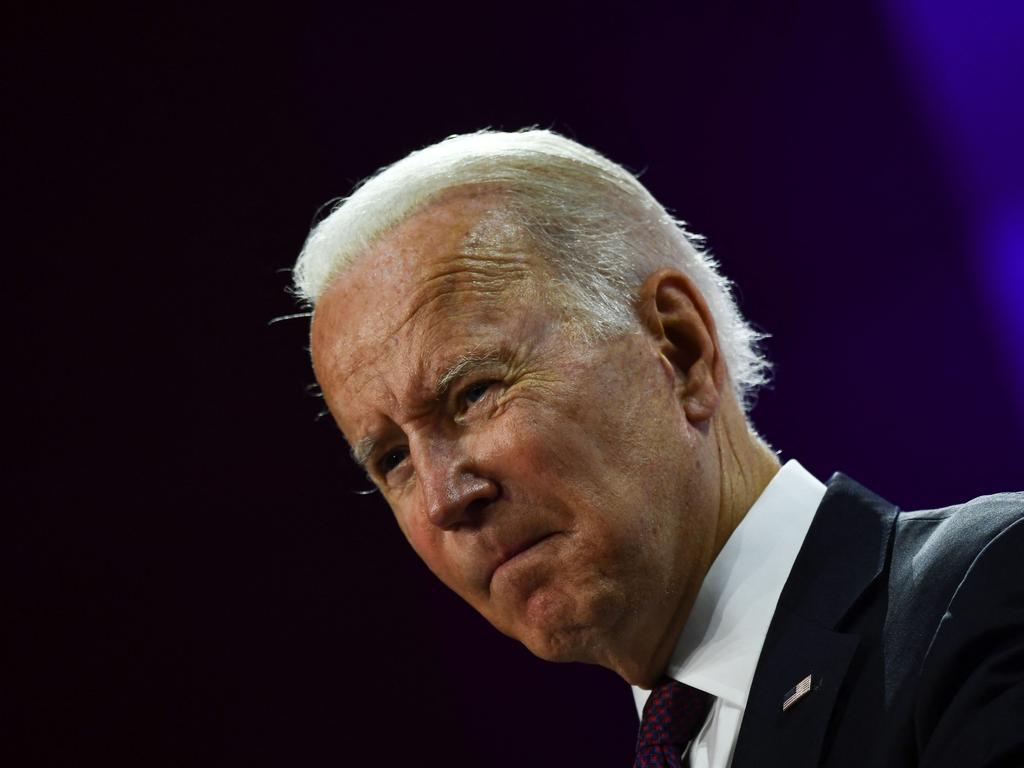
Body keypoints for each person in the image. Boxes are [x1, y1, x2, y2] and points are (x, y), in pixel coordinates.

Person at [291, 130, 1023, 767]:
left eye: (473, 393)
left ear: (678, 348)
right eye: (391, 460)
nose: (446, 498)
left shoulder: (987, 593)